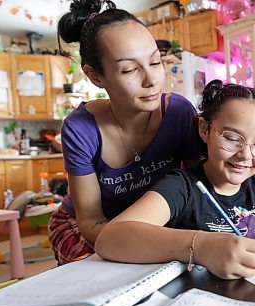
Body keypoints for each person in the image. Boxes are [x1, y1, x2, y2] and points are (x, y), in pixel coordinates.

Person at [95, 80, 255, 279]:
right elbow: (109, 238)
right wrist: (200, 246)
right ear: (204, 129)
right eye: (232, 138)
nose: (245, 155)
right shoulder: (182, 187)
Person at [49, 0, 201, 264]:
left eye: (155, 62)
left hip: (156, 225)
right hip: (88, 230)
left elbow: (201, 185)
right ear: (96, 76)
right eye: (129, 69)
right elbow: (91, 221)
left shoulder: (178, 114)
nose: (151, 80)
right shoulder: (80, 129)